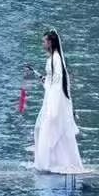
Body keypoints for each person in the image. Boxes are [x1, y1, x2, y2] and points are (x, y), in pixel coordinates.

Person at [33, 28, 83, 173]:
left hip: (55, 100)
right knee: (45, 129)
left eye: (44, 41)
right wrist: (44, 81)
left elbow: (57, 82)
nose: (42, 43)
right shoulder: (52, 58)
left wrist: (52, 107)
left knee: (50, 129)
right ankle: (49, 162)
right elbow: (51, 80)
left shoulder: (56, 59)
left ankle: (52, 163)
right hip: (51, 98)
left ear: (50, 42)